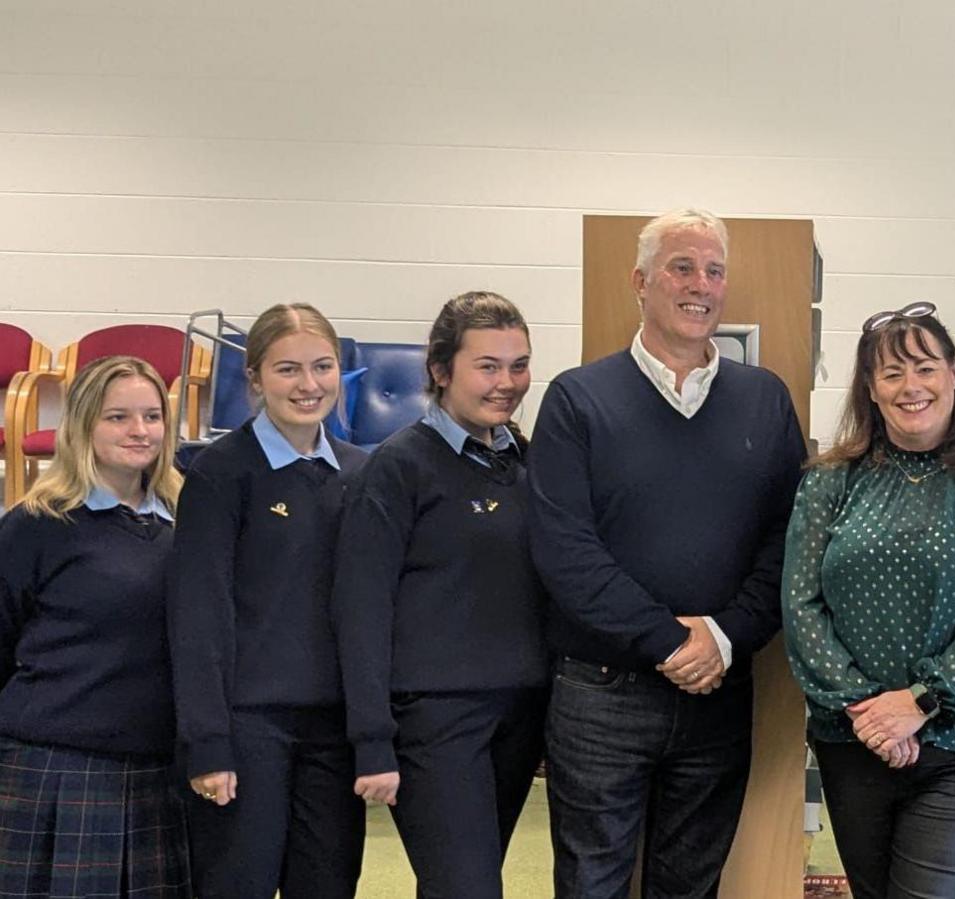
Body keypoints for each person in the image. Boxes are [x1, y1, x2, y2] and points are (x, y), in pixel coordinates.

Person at [528, 208, 807, 899]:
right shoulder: (578, 399)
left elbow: (790, 538)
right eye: (682, 266)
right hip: (601, 693)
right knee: (591, 881)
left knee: (690, 885)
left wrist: (722, 635)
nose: (701, 285)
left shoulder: (764, 400)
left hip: (719, 690)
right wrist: (670, 640)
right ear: (640, 281)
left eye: (714, 270)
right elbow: (565, 550)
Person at [783, 303, 955, 899]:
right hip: (855, 737)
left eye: (925, 367)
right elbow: (800, 606)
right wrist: (869, 711)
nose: (911, 387)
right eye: (891, 373)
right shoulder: (830, 480)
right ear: (871, 390)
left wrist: (919, 702)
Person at [333, 291, 547, 899]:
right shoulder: (398, 468)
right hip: (435, 720)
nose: (507, 383)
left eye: (519, 365)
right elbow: (361, 606)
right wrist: (371, 736)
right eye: (488, 366)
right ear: (439, 369)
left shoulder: (529, 462)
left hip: (520, 715)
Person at [169, 303, 367, 898]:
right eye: (287, 370)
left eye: (322, 367)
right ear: (254, 379)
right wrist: (207, 741)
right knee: (238, 884)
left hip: (334, 731)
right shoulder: (220, 473)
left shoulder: (361, 474)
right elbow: (198, 613)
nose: (308, 386)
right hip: (246, 729)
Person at [0, 356, 189, 897]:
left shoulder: (189, 518)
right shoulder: (37, 524)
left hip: (158, 772)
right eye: (118, 417)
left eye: (152, 417)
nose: (139, 431)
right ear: (83, 425)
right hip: (55, 769)